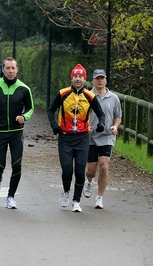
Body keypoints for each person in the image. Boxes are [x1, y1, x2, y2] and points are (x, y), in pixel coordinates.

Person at [47, 64, 106, 212]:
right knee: (67, 170)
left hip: (82, 138)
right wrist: (55, 125)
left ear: (85, 79)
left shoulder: (90, 96)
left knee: (80, 171)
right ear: (72, 78)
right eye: (75, 76)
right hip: (65, 137)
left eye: (80, 76)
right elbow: (50, 110)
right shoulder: (63, 93)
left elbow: (101, 114)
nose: (78, 79)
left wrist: (101, 124)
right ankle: (66, 191)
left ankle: (76, 201)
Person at [0, 57, 34, 209]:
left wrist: (24, 117)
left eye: (13, 68)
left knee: (17, 166)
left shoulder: (24, 89)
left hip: (16, 132)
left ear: (17, 69)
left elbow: (30, 108)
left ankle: (10, 197)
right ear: (3, 70)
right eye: (8, 68)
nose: (11, 71)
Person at [83, 69, 122, 209]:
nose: (100, 81)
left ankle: (99, 198)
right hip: (91, 136)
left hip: (107, 136)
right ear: (93, 81)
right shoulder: (87, 96)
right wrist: (85, 126)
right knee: (91, 170)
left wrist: (115, 127)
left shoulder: (114, 98)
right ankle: (89, 181)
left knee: (104, 167)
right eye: (97, 78)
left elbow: (118, 116)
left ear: (106, 80)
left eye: (102, 78)